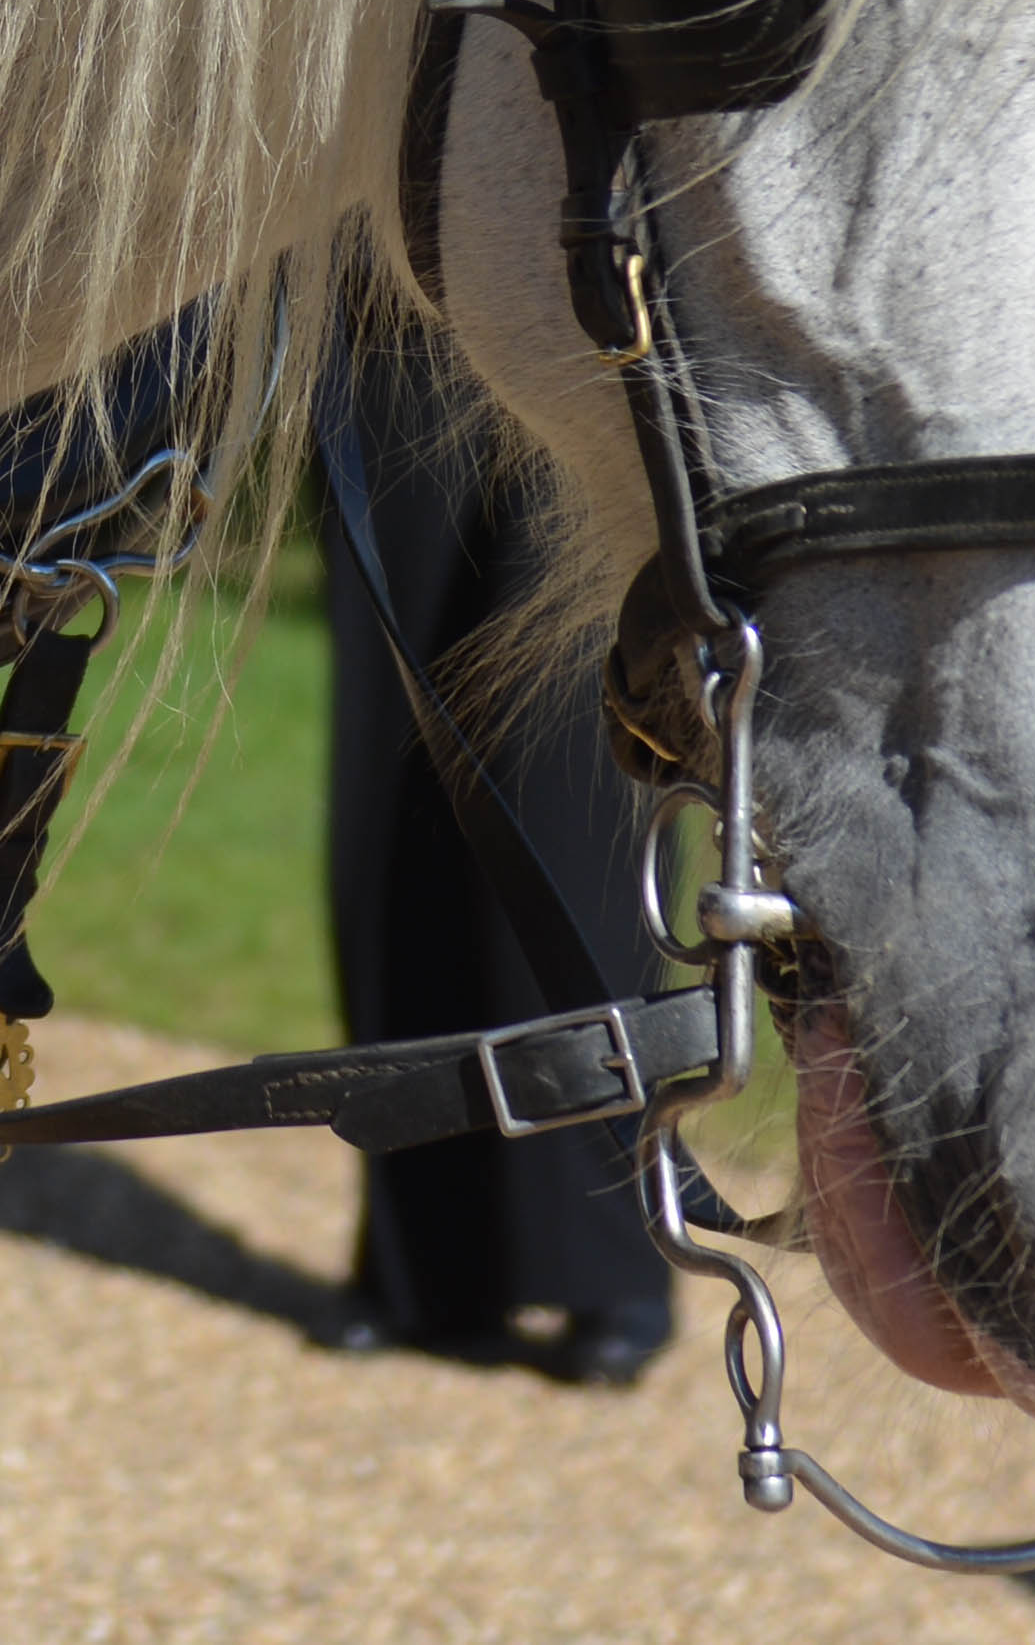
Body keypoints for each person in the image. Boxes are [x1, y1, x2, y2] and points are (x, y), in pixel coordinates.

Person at [317, 341, 670, 1384]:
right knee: (396, 768)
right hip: (386, 297)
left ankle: (607, 1258)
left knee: (574, 768)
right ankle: (426, 1263)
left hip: (599, 308)